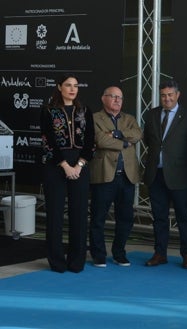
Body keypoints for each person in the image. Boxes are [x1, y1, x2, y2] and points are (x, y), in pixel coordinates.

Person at [40, 73, 95, 273]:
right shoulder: (48, 110)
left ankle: (76, 261)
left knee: (79, 214)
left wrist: (79, 165)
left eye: (75, 85)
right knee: (55, 214)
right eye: (68, 85)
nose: (72, 89)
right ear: (59, 87)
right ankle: (56, 261)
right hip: (55, 166)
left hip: (80, 166)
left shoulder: (85, 111)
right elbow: (48, 141)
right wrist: (65, 165)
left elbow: (90, 142)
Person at [143, 79, 187, 269]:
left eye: (170, 95)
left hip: (179, 175)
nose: (167, 99)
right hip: (155, 174)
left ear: (178, 95)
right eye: (163, 95)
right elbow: (149, 141)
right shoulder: (151, 115)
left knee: (184, 217)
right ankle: (160, 253)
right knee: (159, 217)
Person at [89, 86, 143, 267]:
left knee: (125, 218)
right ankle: (98, 255)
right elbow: (100, 140)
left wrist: (119, 135)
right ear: (103, 98)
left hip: (126, 177)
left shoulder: (129, 119)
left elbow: (138, 134)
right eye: (113, 96)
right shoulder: (95, 118)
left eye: (120, 97)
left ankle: (119, 253)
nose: (117, 100)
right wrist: (125, 143)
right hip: (104, 175)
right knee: (98, 217)